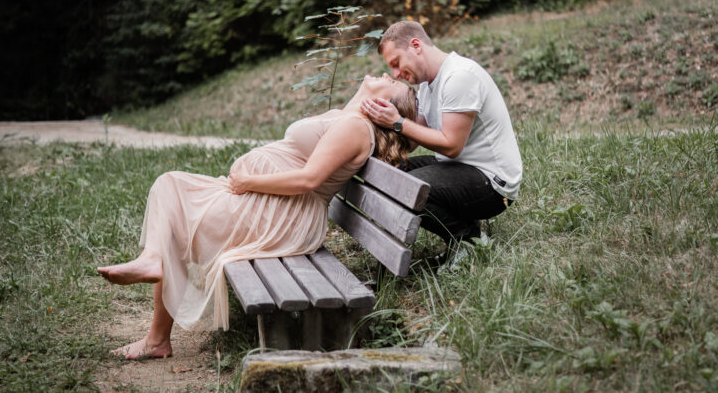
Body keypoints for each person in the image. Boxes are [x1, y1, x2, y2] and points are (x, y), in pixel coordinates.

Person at [97, 73, 416, 359]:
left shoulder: (357, 129)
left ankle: (156, 338)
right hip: (273, 204)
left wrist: (249, 181)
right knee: (170, 185)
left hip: (286, 214)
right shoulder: (351, 117)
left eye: (392, 81)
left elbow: (309, 180)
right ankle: (153, 261)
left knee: (180, 213)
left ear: (384, 104)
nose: (388, 73)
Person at [361, 20, 522, 266]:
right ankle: (464, 232)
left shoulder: (459, 76)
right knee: (391, 175)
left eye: (396, 63)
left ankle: (469, 239)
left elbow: (451, 145)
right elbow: (417, 137)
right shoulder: (427, 84)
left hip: (492, 184)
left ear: (415, 46)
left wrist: (397, 122)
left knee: (408, 188)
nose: (395, 74)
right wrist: (374, 138)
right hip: (459, 168)